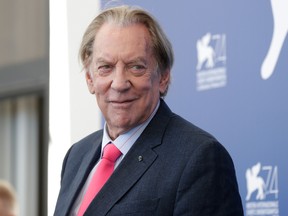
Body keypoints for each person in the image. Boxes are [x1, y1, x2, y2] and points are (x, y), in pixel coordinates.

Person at [54, 5, 243, 216]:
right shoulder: (76, 156)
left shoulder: (199, 157)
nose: (119, 83)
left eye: (136, 67)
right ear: (90, 79)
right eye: (105, 67)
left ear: (163, 77)